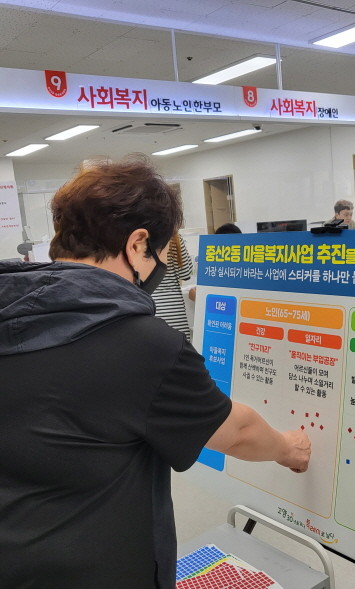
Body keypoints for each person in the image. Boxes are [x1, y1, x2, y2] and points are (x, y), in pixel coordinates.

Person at [0, 155, 310, 589]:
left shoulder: (11, 310)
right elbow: (236, 432)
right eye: (163, 253)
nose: (162, 265)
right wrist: (287, 448)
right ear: (138, 244)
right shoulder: (141, 343)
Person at [152, 233, 193, 340]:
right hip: (175, 308)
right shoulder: (174, 238)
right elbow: (186, 274)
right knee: (179, 346)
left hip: (151, 306)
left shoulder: (140, 238)